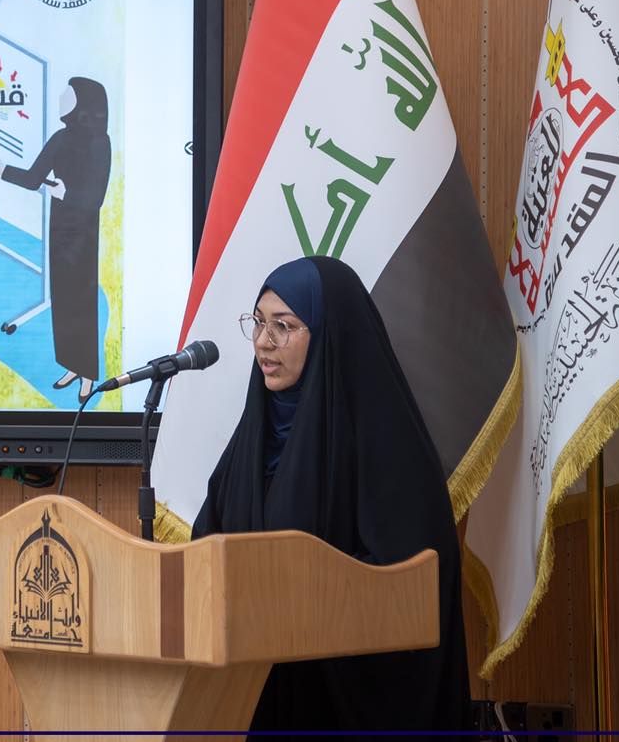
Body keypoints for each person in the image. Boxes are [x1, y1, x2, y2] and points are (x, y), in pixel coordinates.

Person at [191, 256, 470, 739]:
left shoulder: (387, 447)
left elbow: (412, 590)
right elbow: (205, 551)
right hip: (250, 701)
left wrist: (300, 610)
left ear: (328, 335)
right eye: (258, 322)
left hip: (339, 707)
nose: (263, 342)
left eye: (284, 326)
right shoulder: (248, 447)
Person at [0, 77, 112, 401]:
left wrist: (67, 193)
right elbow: (33, 178)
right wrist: (1, 169)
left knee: (82, 301)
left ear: (84, 104)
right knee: (63, 298)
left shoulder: (101, 143)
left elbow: (96, 197)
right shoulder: (60, 138)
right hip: (60, 229)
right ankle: (71, 365)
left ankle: (88, 374)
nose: (60, 98)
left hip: (84, 233)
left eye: (68, 95)